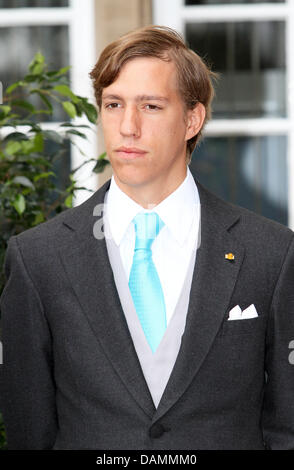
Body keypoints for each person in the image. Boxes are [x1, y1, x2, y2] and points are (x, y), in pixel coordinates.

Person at [0, 25, 294, 450]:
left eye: (151, 106)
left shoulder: (272, 253)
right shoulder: (37, 258)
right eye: (113, 104)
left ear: (192, 119)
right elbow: (30, 433)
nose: (127, 127)